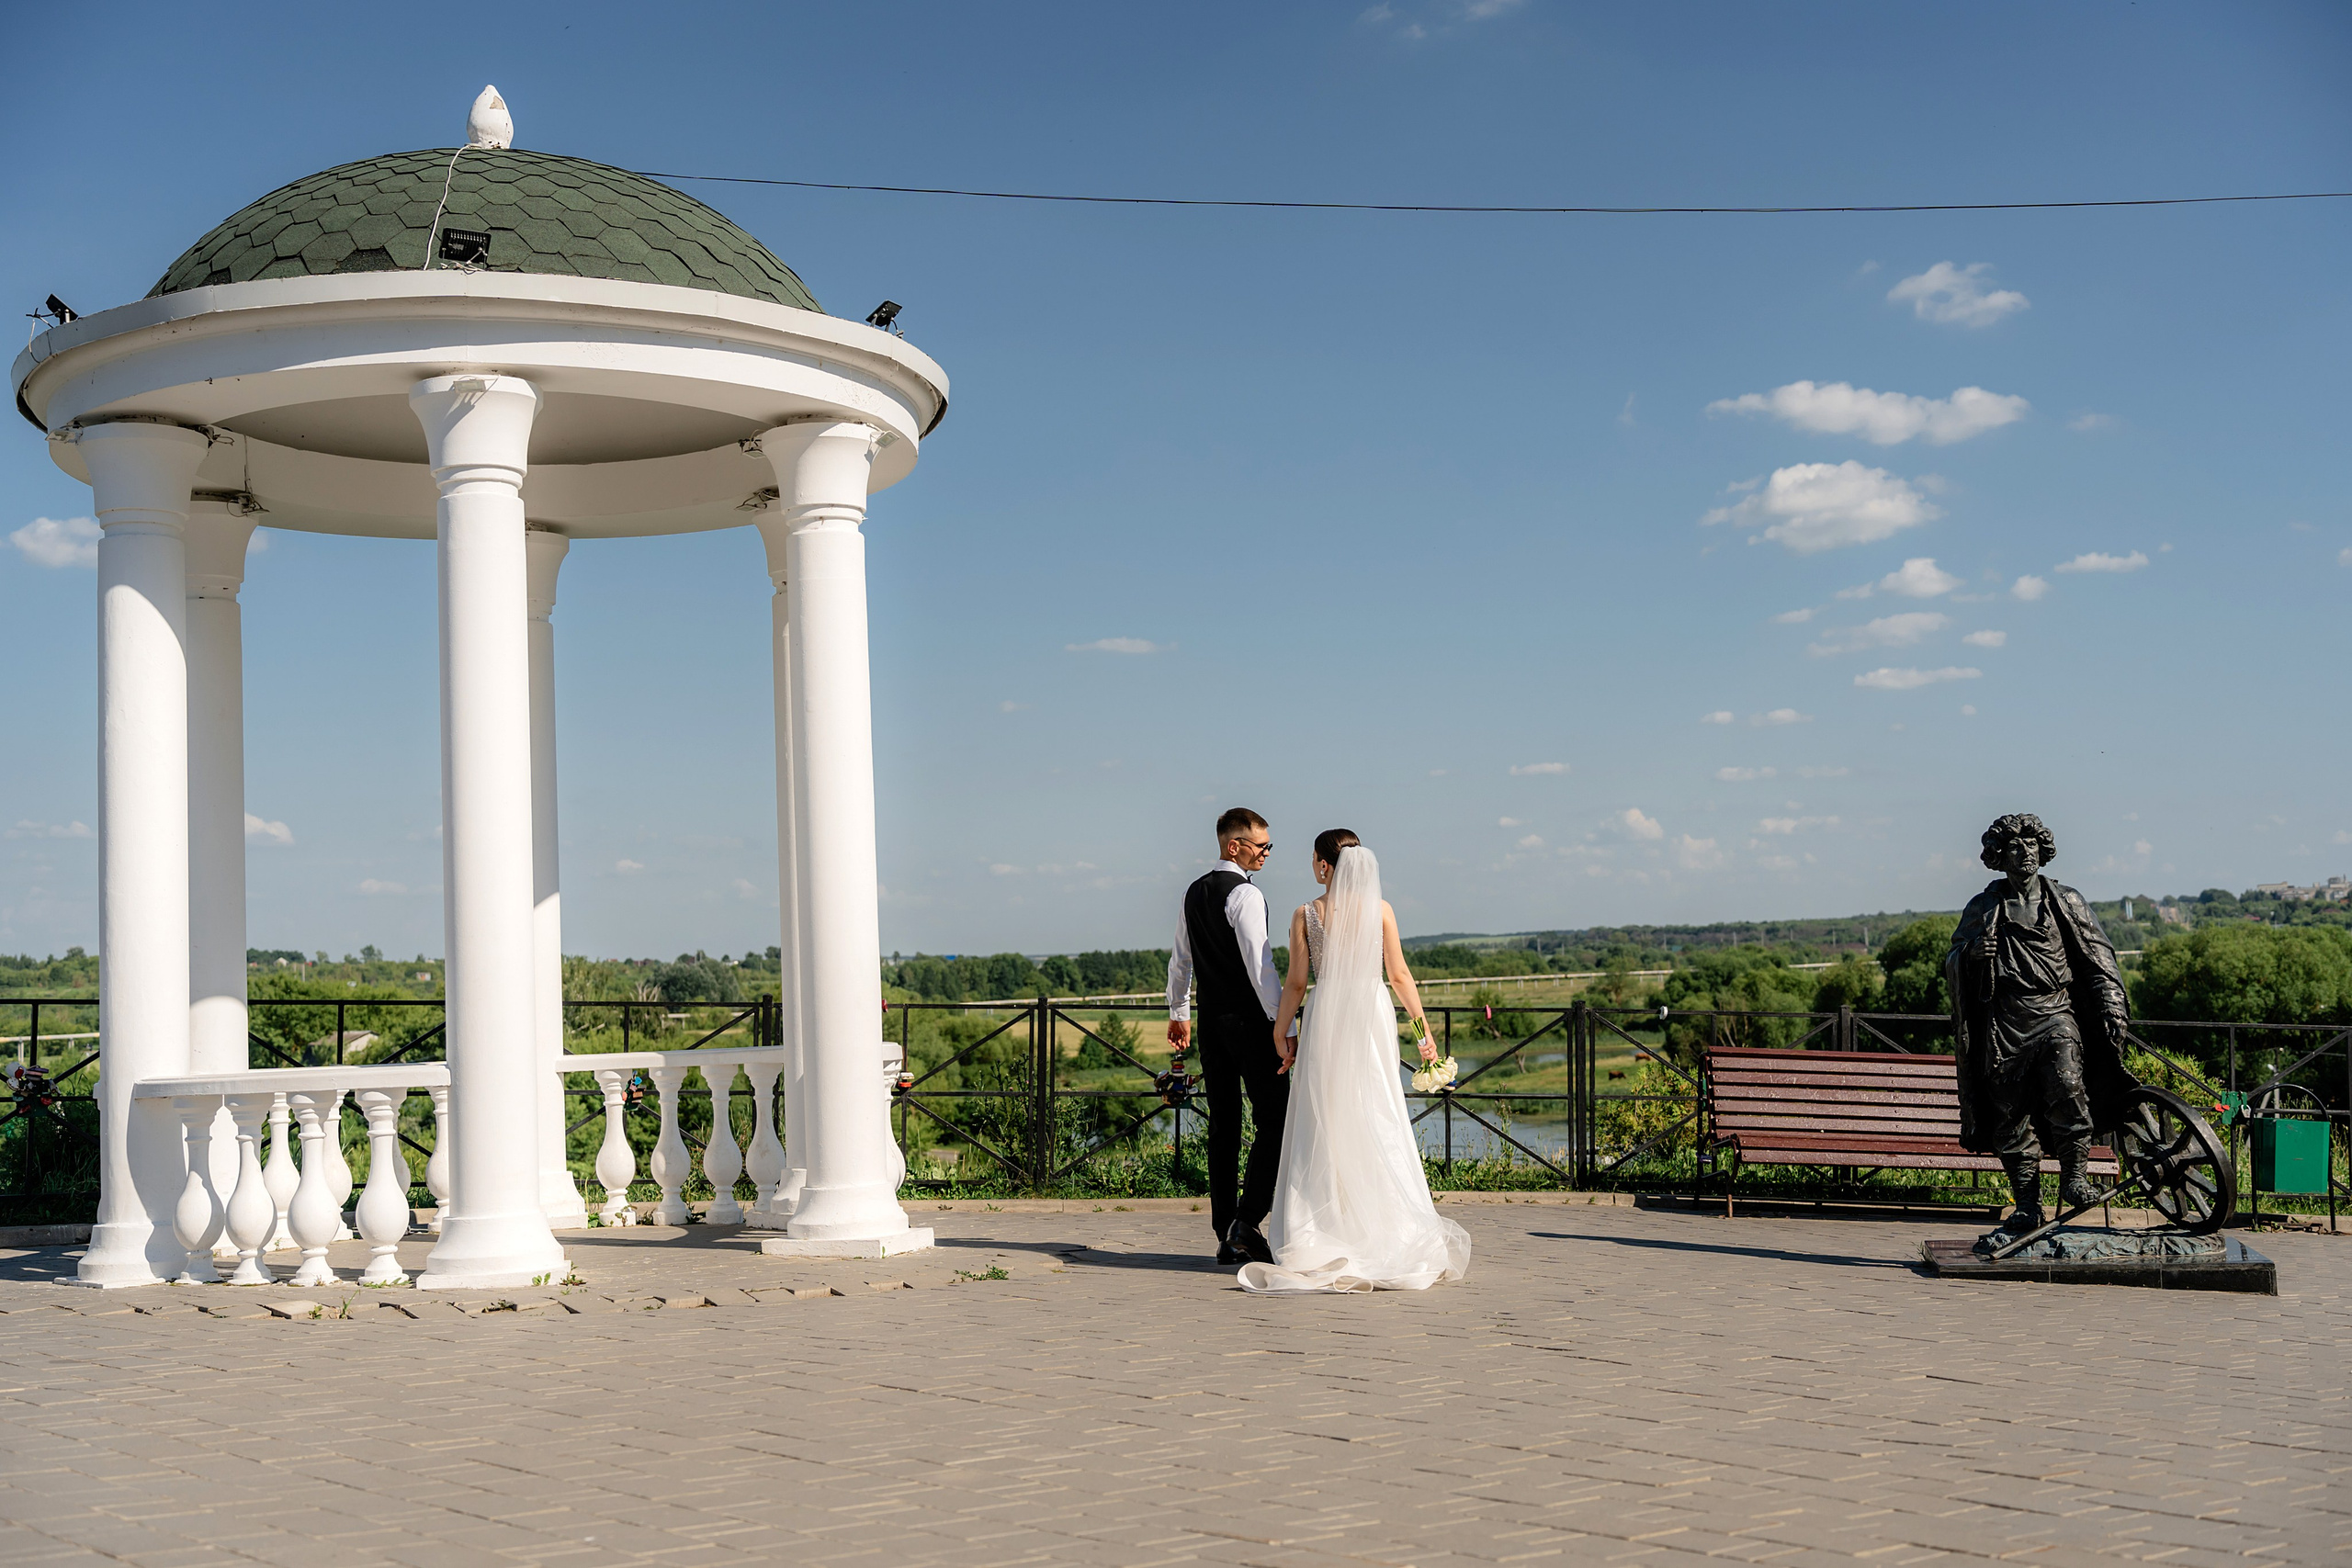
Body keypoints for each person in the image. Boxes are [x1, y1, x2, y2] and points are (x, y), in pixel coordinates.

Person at [1238, 831, 1472, 1293]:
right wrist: (1425, 1036)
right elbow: (1399, 975)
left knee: (1324, 1117)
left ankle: (1325, 1225)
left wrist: (1280, 1029)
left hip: (1326, 1015)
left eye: (1314, 860)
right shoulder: (1380, 910)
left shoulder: (1307, 913)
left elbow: (1297, 984)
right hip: (1371, 1015)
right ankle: (1387, 1225)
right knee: (1376, 1109)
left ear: (1326, 866)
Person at [1945, 813, 2136, 1234]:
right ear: (1999, 855)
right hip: (2005, 1022)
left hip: (2055, 1012)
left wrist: (2111, 1007)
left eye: (2031, 845)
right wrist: (1972, 952)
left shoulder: (2065, 901)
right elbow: (1953, 959)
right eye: (2015, 846)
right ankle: (2028, 1205)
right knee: (2009, 1115)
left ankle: (2075, 1177)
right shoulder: (1983, 907)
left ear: (2042, 851)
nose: (2025, 852)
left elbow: (2099, 959)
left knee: (2068, 1086)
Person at [1167, 807, 1288, 1265]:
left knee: (1224, 1126)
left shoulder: (1193, 892)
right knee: (1275, 1117)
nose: (1267, 853)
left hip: (1211, 1024)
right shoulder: (1245, 895)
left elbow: (1181, 960)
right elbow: (1263, 969)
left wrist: (1179, 1012)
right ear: (1233, 845)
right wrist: (1285, 1028)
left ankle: (1225, 1231)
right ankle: (1247, 1221)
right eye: (1261, 846)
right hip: (1252, 1024)